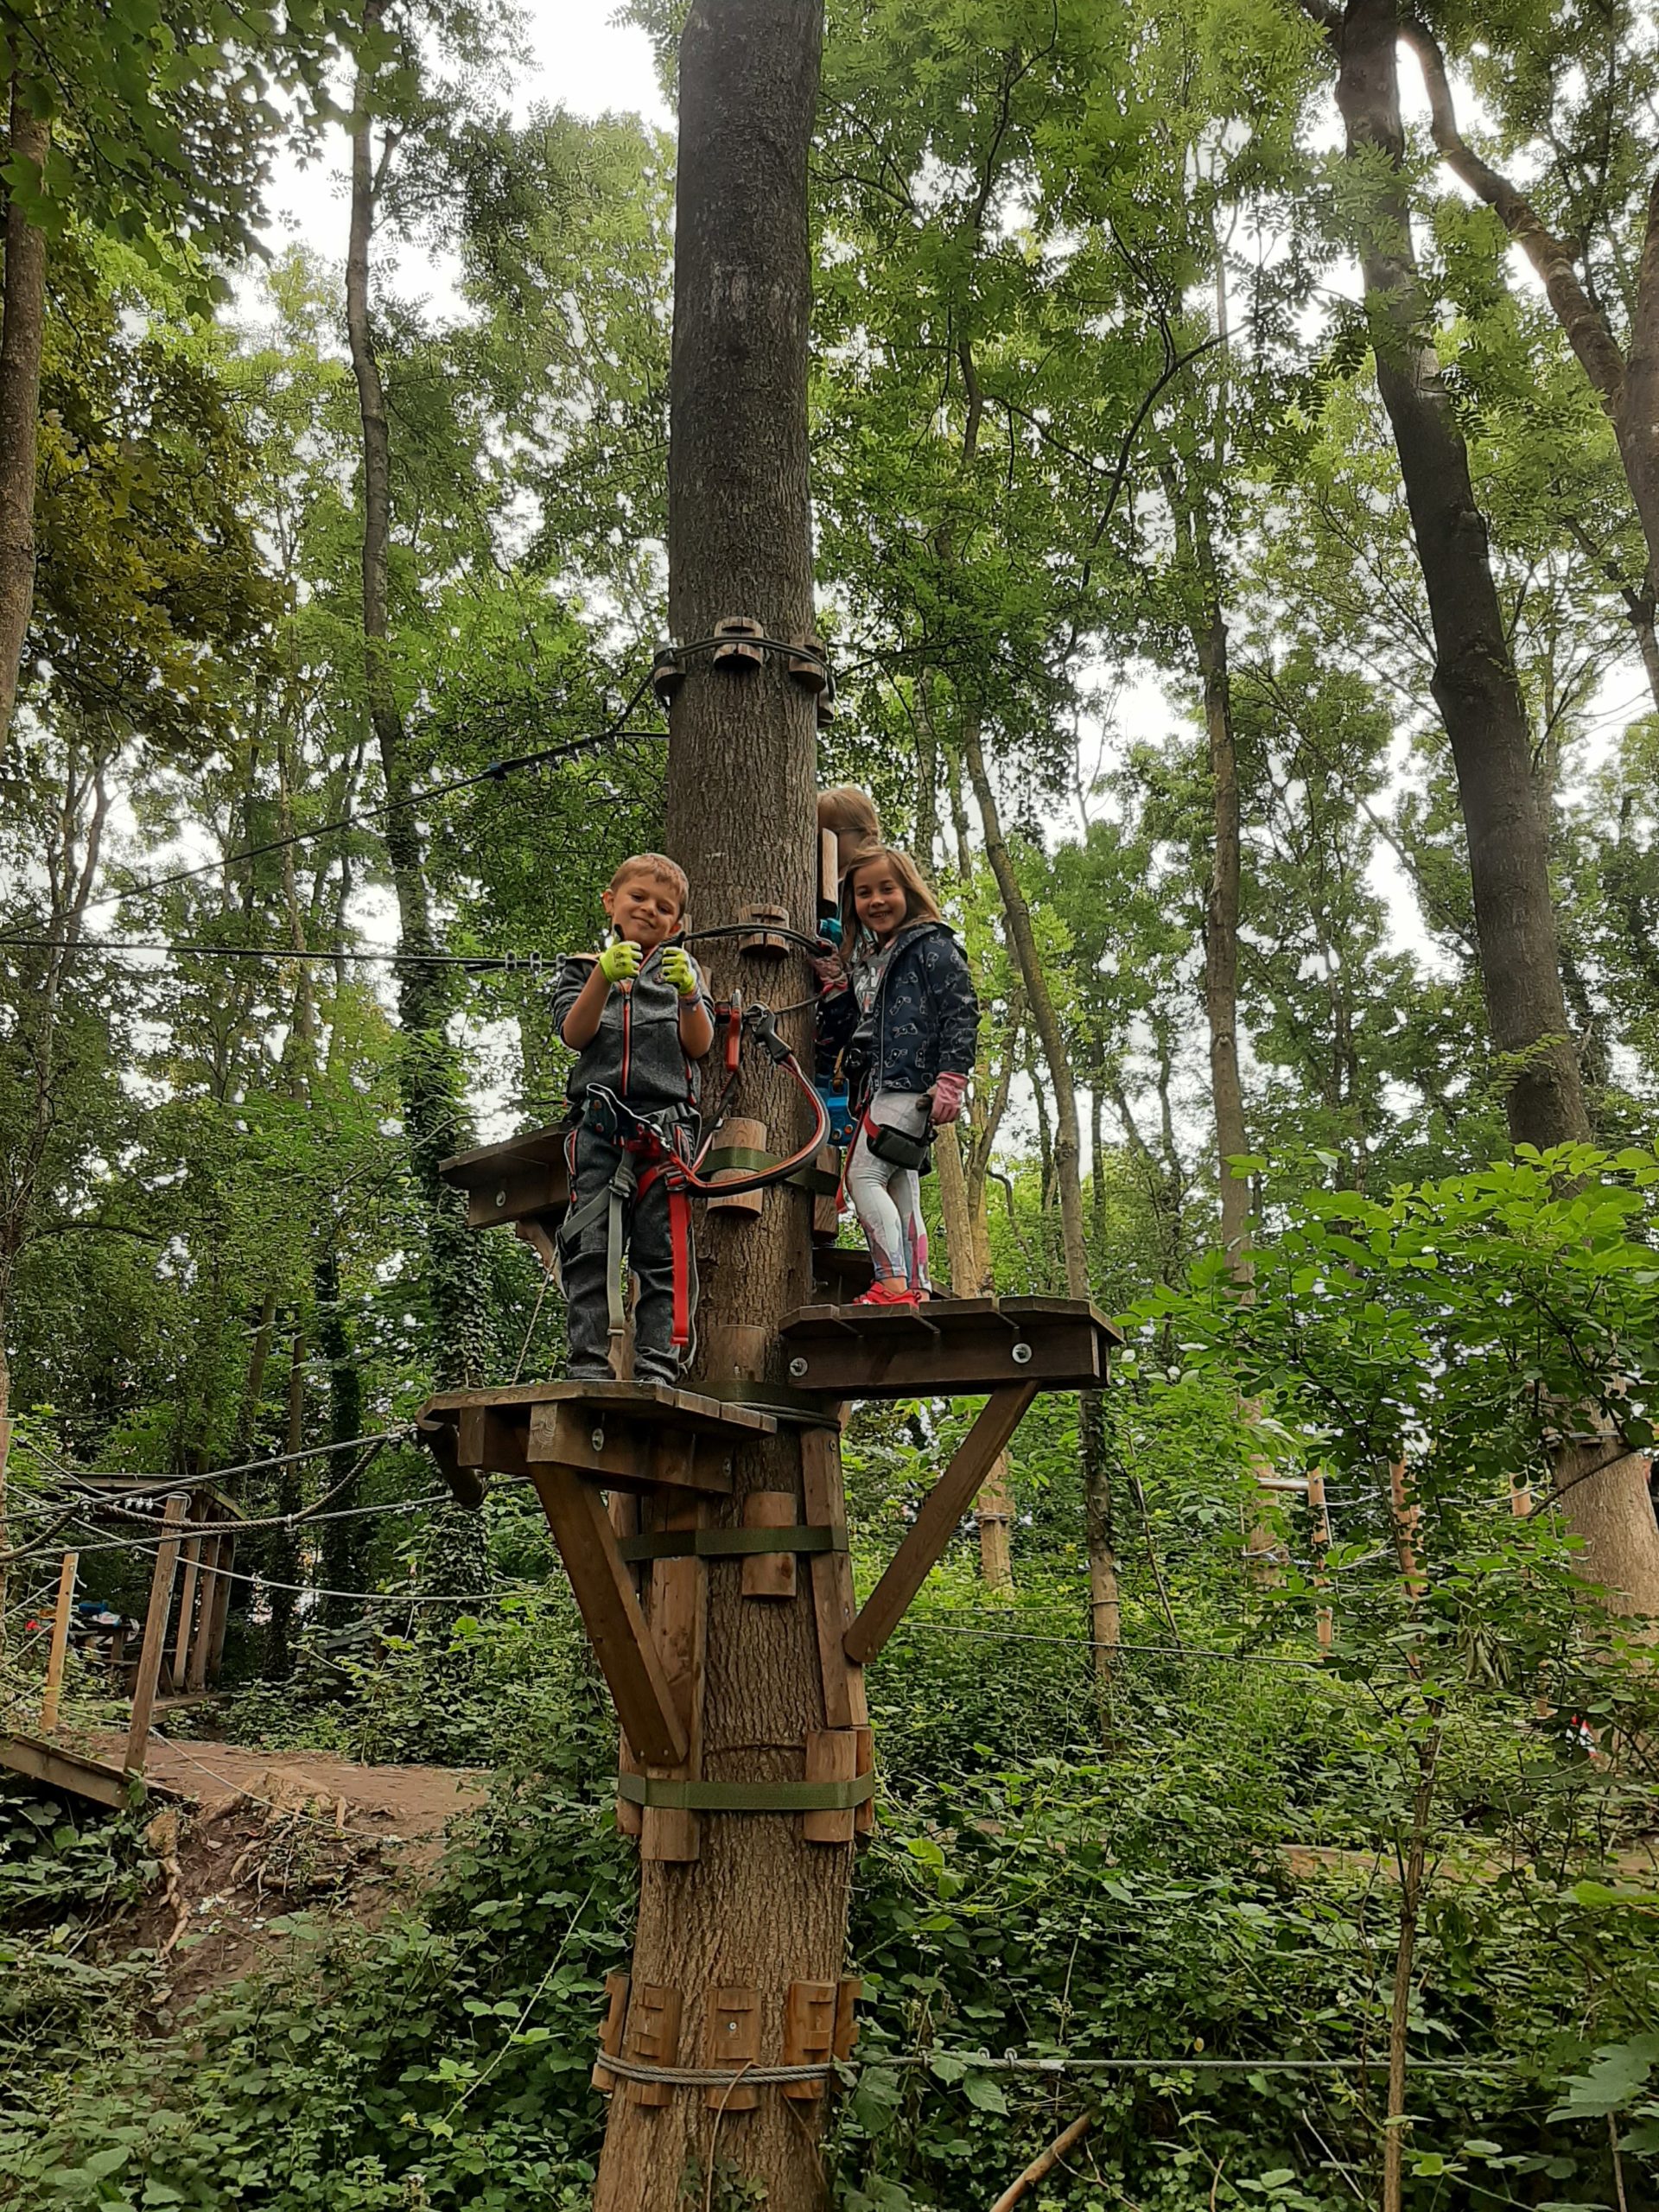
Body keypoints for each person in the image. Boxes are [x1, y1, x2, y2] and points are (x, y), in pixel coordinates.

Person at [551, 853, 715, 1382]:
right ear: (611, 903)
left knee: (661, 1256)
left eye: (664, 907)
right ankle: (588, 1363)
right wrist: (602, 976)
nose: (649, 910)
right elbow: (574, 1033)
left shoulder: (682, 973)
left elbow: (700, 1045)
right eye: (638, 898)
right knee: (590, 1249)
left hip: (664, 1132)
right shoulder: (583, 968)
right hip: (599, 1129)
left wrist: (689, 995)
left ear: (677, 923)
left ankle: (658, 1367)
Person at [818, 845, 978, 1306]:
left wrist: (952, 1078)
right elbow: (859, 1027)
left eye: (887, 889)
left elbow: (961, 1011)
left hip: (909, 1083)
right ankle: (916, 1286)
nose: (876, 901)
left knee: (863, 1177)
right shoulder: (873, 960)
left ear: (908, 890)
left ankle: (891, 1284)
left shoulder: (931, 945)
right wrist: (837, 987)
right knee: (899, 1184)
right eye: (864, 893)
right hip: (879, 1087)